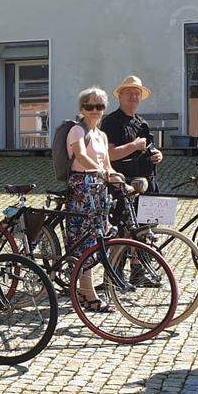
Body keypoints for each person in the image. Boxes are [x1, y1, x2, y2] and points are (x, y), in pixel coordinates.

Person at [66, 87, 124, 312]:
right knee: (87, 241)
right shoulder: (77, 131)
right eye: (90, 106)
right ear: (82, 108)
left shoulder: (102, 135)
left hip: (99, 190)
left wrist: (120, 180)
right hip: (82, 188)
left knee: (102, 236)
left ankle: (86, 289)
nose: (95, 111)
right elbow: (80, 155)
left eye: (100, 106)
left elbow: (108, 164)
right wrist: (99, 171)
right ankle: (88, 295)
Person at [101, 75, 163, 191]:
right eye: (129, 92)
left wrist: (157, 155)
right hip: (123, 187)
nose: (134, 96)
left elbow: (150, 148)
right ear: (120, 96)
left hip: (147, 184)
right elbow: (108, 155)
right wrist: (133, 146)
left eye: (137, 93)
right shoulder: (111, 122)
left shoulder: (142, 123)